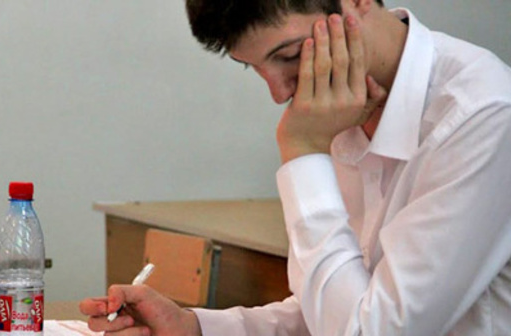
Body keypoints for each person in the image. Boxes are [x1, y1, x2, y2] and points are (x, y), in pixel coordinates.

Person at [80, 0, 511, 334]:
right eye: (253, 69)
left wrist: (302, 150)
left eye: (288, 56)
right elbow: (333, 312)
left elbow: (368, 330)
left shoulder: (482, 113)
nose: (279, 93)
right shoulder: (340, 103)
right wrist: (196, 328)